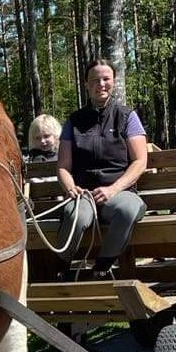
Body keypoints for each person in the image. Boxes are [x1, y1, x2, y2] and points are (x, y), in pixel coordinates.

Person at [55, 61, 147, 275]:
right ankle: (61, 269)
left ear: (113, 82)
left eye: (106, 79)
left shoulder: (127, 116)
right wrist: (70, 187)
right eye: (95, 80)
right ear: (87, 84)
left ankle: (102, 268)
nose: (101, 84)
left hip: (120, 191)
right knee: (75, 216)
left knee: (128, 210)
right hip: (84, 194)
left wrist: (113, 189)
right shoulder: (74, 121)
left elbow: (140, 161)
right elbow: (63, 166)